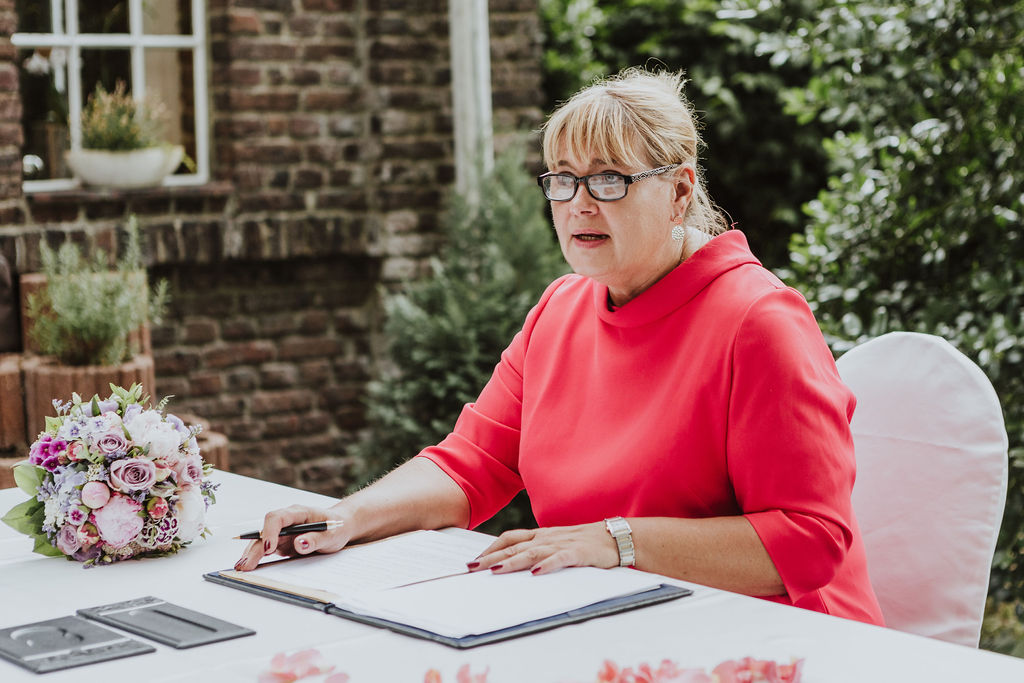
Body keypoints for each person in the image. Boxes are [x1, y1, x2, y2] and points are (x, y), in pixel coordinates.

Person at [235, 67, 884, 626]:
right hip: (614, 621)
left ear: (680, 190)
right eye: (563, 179)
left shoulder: (759, 321)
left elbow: (810, 540)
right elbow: (469, 465)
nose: (578, 204)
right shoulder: (559, 308)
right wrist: (347, 517)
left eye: (609, 180)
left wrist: (614, 541)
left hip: (785, 641)